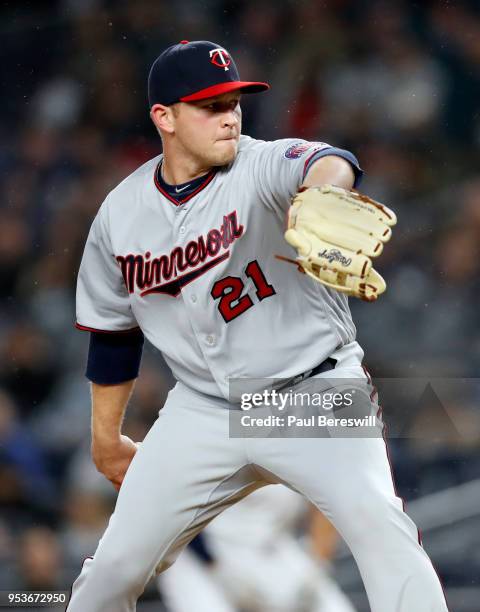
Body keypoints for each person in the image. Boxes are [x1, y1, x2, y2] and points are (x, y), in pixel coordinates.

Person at [67, 40, 449, 611]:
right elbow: (113, 333)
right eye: (209, 105)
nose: (229, 116)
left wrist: (325, 191)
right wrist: (105, 438)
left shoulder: (262, 163)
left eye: (234, 102)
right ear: (163, 117)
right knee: (111, 572)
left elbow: (328, 158)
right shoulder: (120, 216)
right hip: (204, 409)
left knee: (380, 532)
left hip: (310, 391)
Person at [159, 484, 357, 612]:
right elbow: (171, 500)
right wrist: (213, 565)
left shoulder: (305, 432)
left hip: (271, 549)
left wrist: (316, 566)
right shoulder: (209, 427)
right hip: (199, 557)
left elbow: (327, 499)